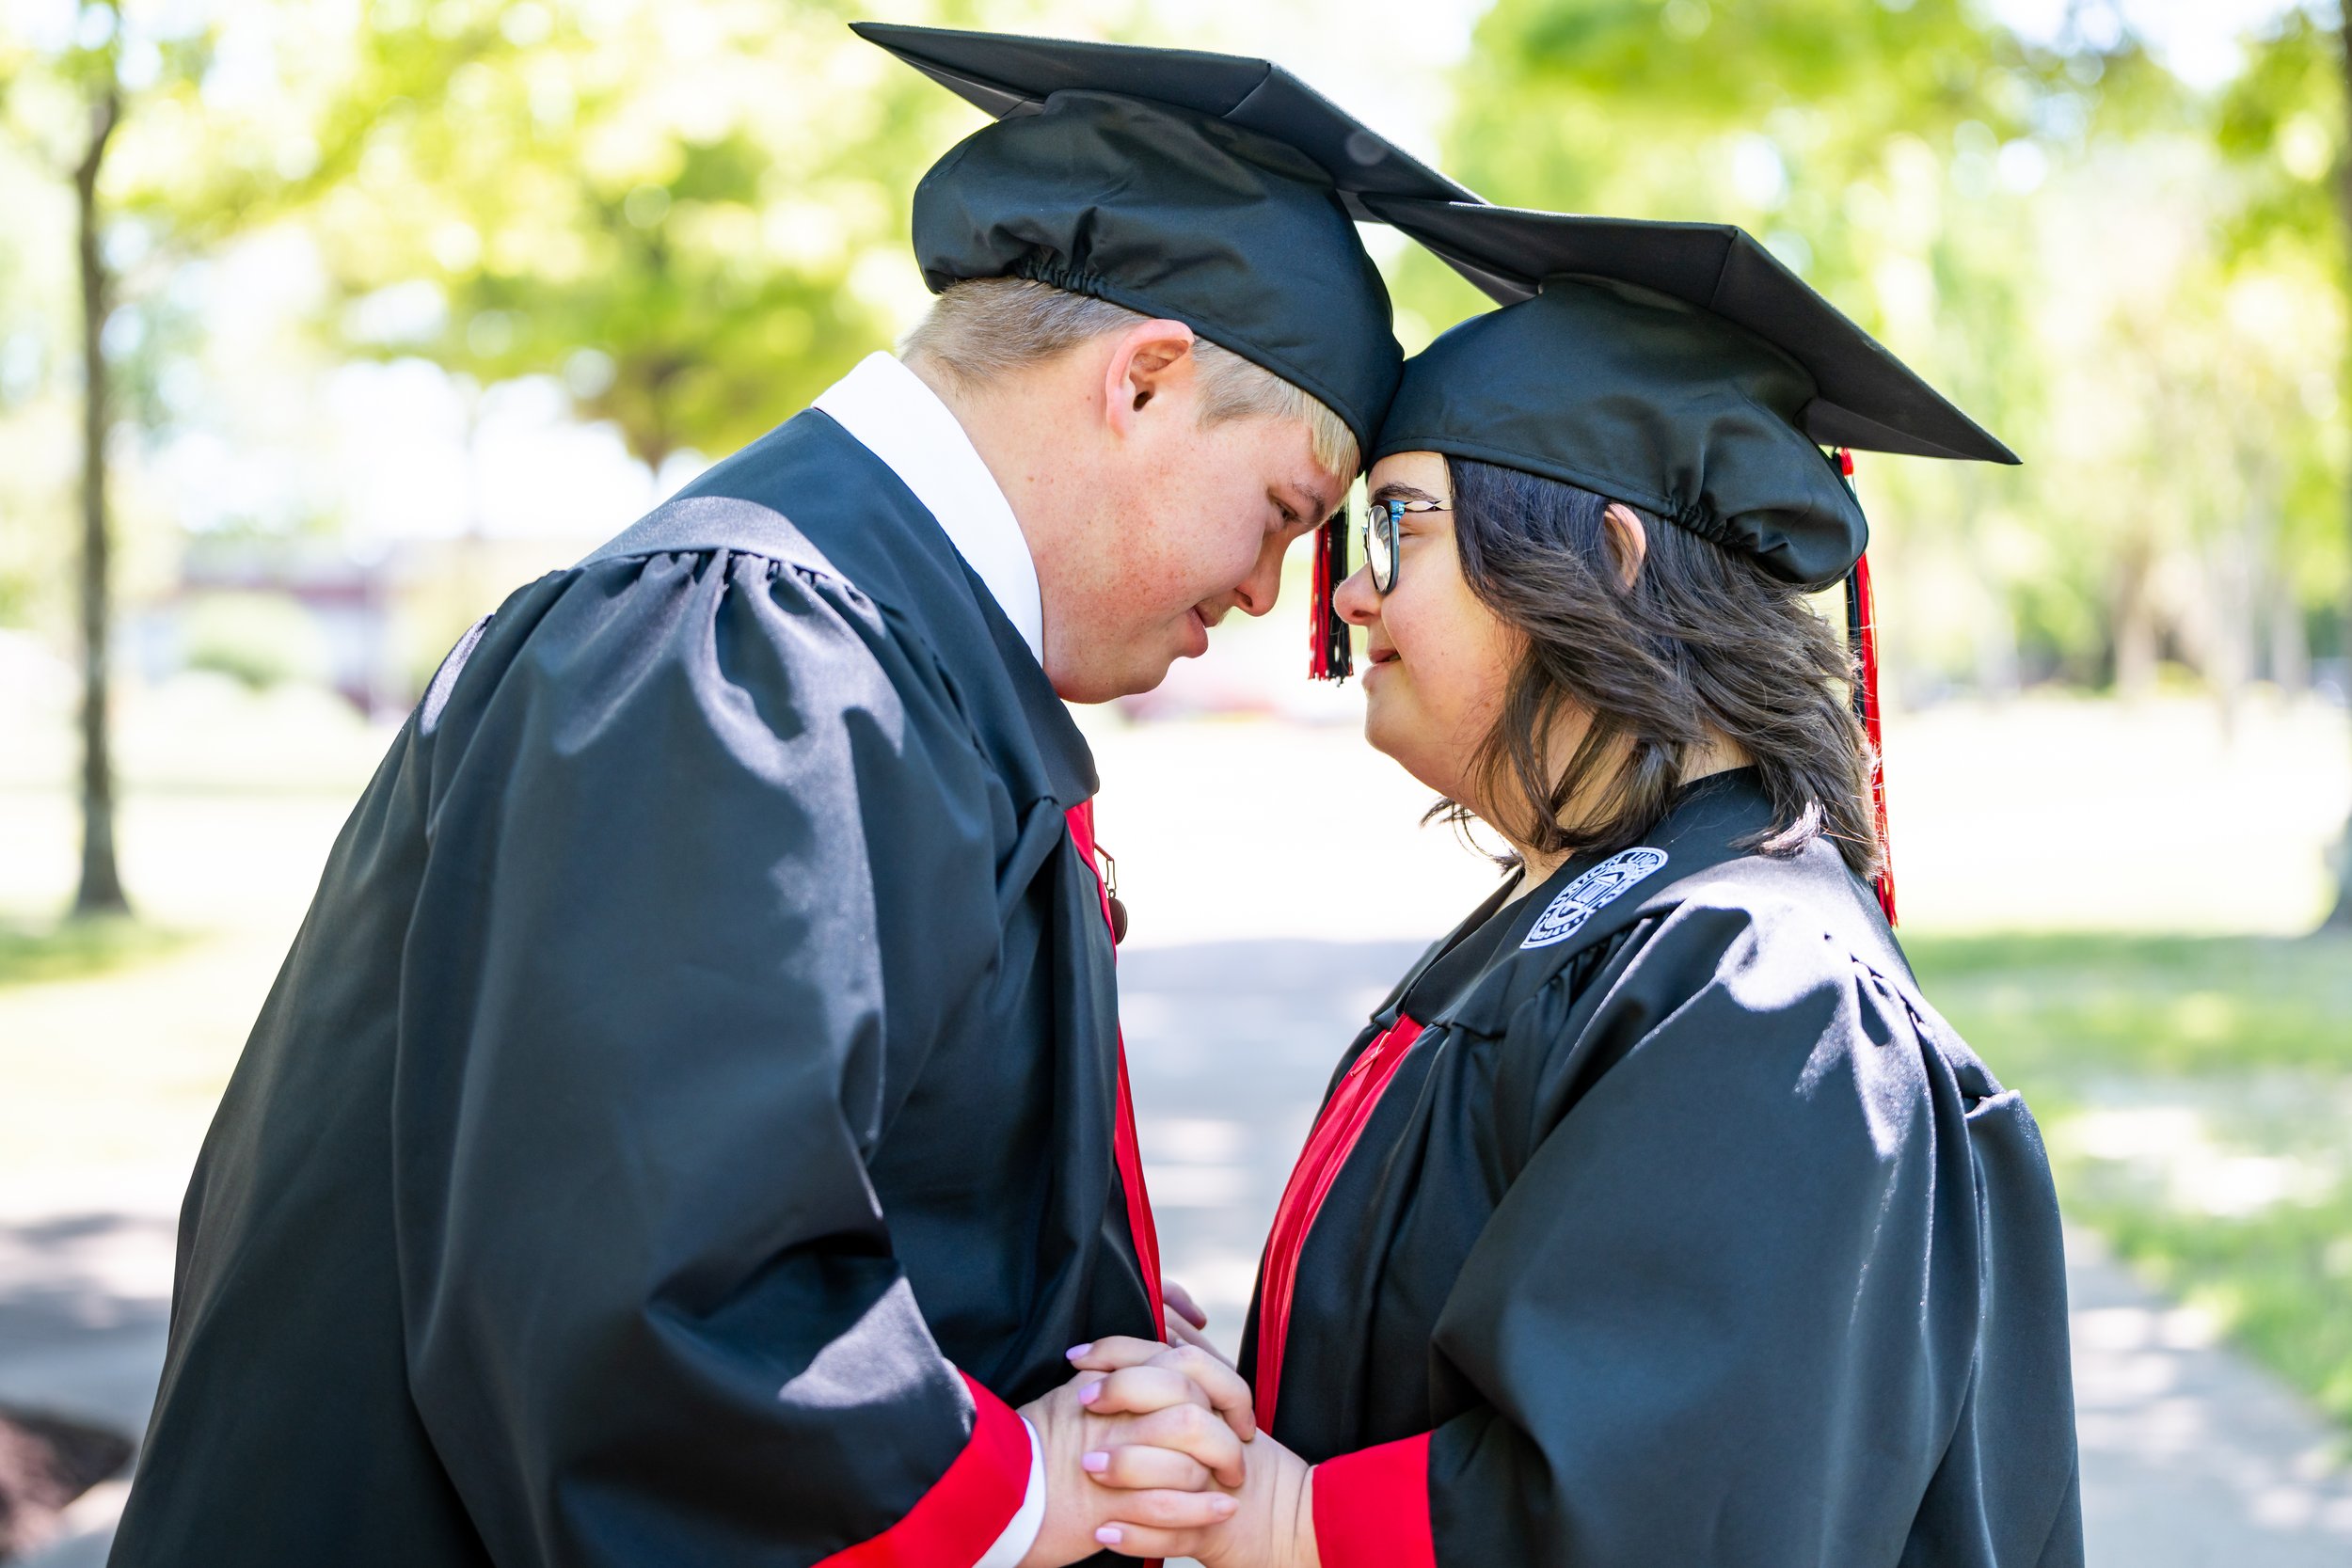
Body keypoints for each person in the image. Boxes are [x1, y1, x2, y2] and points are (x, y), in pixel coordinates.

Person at [105, 26, 1480, 1568]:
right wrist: (1034, 1483)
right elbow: (650, 1284)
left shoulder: (860, 641)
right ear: (1144, 382)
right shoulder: (743, 646)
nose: (1269, 588)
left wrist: (1060, 1311)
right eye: (1285, 508)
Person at [1068, 201, 2085, 1568]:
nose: (1351, 596)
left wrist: (1287, 1513)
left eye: (1397, 529)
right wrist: (1247, 1410)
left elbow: (1670, 1504)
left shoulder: (1762, 992)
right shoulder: (1595, 924)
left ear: (1604, 556)